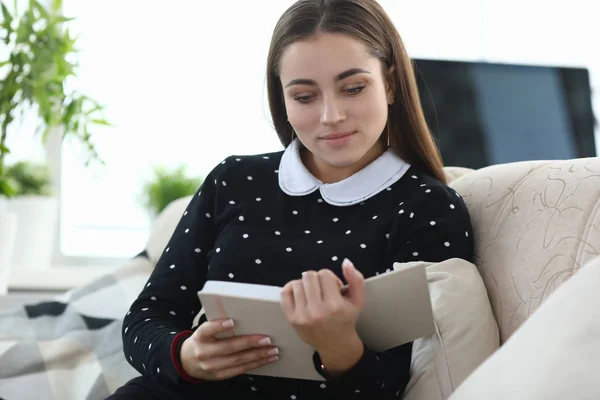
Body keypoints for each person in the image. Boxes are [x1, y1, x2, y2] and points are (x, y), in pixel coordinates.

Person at [108, 0, 474, 398]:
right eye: (304, 96)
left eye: (353, 88)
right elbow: (145, 318)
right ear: (281, 98)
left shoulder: (429, 209)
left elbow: (392, 385)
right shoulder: (234, 180)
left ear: (389, 83)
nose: (331, 115)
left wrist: (339, 348)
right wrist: (188, 355)